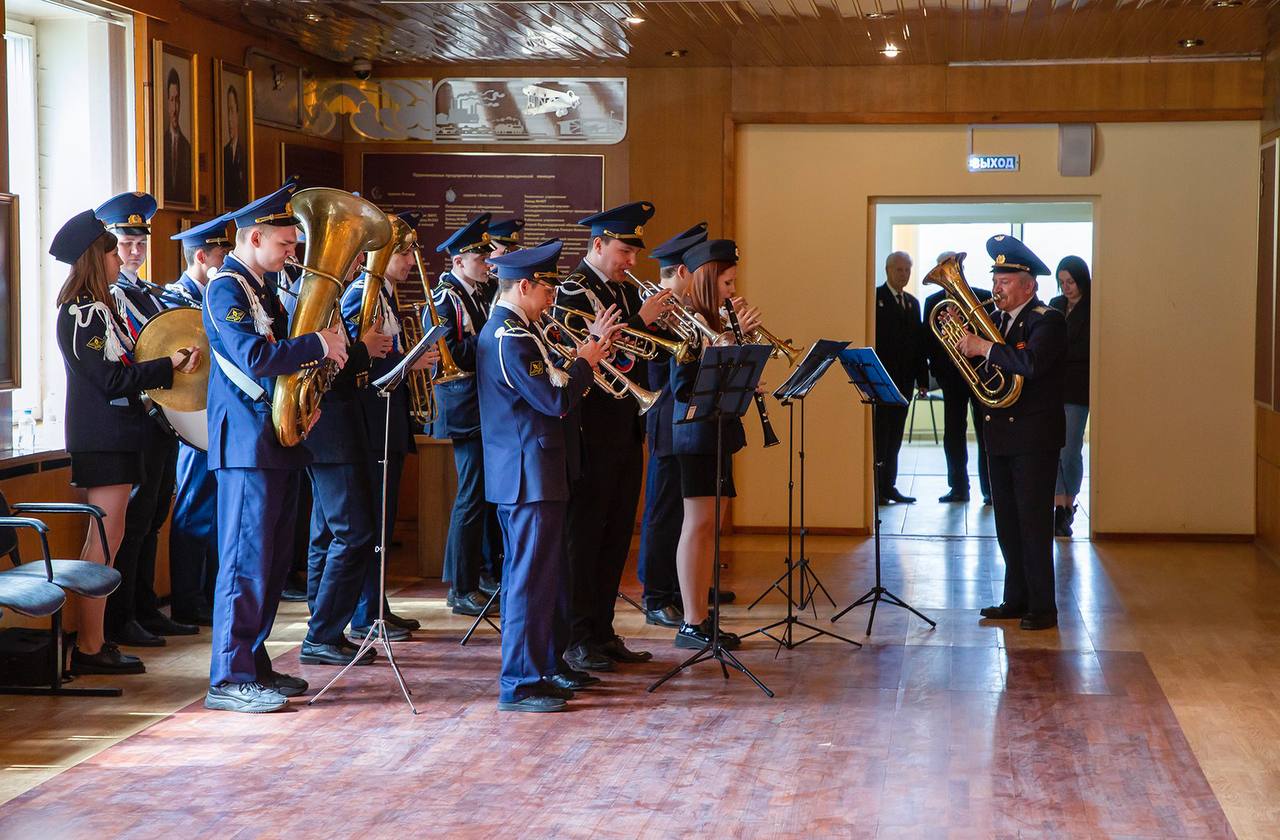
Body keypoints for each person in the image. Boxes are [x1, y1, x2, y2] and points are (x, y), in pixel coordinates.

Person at [202, 182, 350, 712]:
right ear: (254, 237)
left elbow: (280, 362)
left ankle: (254, 663)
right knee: (244, 562)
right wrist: (317, 344)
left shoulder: (260, 287)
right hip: (246, 445)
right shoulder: (226, 289)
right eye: (285, 244)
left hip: (272, 441)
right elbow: (253, 357)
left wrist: (308, 397)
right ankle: (229, 677)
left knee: (269, 561)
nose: (292, 252)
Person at [51, 209, 200, 675]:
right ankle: (90, 645)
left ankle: (96, 641)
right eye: (113, 252)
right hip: (103, 439)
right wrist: (166, 366)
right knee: (104, 538)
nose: (121, 259)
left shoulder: (100, 310)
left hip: (116, 436)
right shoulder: (84, 313)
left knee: (109, 538)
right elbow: (110, 379)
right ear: (96, 258)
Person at [476, 239, 618, 712]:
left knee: (542, 580)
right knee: (528, 583)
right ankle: (519, 684)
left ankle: (540, 668)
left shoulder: (522, 330)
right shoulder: (510, 337)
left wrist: (577, 361)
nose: (552, 298)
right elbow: (554, 401)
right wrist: (585, 362)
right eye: (547, 289)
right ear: (523, 286)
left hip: (538, 473)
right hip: (527, 477)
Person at [558, 201, 673, 673]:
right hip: (592, 427)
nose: (631, 261)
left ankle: (602, 630)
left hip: (626, 425)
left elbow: (642, 357)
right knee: (585, 536)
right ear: (599, 244)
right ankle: (576, 635)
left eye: (634, 252)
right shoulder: (572, 291)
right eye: (624, 251)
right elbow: (587, 359)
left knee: (616, 533)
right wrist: (642, 322)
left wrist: (658, 329)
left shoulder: (622, 291)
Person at [94, 192, 198, 647]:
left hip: (162, 415)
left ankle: (146, 606)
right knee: (134, 521)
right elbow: (140, 350)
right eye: (125, 243)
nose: (134, 251)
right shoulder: (112, 295)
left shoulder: (150, 291)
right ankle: (123, 616)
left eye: (140, 242)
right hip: (137, 414)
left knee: (154, 513)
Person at [954, 235, 1067, 631]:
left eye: (1004, 281)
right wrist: (966, 345)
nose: (996, 288)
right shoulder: (997, 322)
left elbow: (1031, 364)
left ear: (1028, 285)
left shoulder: (1046, 320)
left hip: (1034, 438)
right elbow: (986, 374)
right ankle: (1016, 598)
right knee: (1006, 523)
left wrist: (984, 347)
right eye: (995, 279)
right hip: (999, 434)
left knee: (1033, 523)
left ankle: (1043, 606)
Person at [341, 211, 438, 639]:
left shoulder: (385, 295)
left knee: (384, 519)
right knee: (373, 520)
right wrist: (408, 363)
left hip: (389, 420)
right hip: (371, 421)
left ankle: (377, 604)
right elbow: (355, 364)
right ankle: (365, 613)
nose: (410, 261)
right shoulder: (360, 295)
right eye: (403, 253)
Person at [668, 239, 761, 649]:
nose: (732, 290)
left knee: (713, 526)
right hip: (695, 433)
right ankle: (691, 621)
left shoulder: (717, 322)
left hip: (720, 429)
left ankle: (702, 617)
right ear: (708, 282)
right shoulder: (689, 323)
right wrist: (721, 347)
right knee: (698, 524)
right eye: (726, 283)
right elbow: (682, 387)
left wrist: (743, 347)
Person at [428, 213, 503, 617]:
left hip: (481, 405)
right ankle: (461, 587)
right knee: (470, 497)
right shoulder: (446, 298)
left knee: (482, 497)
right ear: (458, 261)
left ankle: (481, 574)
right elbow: (450, 354)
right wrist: (491, 340)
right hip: (462, 407)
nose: (488, 263)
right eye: (480, 257)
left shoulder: (478, 292)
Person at [637, 222, 707, 629]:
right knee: (663, 509)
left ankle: (684, 587)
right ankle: (657, 594)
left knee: (685, 509)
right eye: (698, 270)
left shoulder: (688, 308)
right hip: (665, 415)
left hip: (686, 415)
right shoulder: (658, 309)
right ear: (682, 271)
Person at [164, 214, 233, 626]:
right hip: (191, 414)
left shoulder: (216, 293)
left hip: (217, 411)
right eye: (221, 254)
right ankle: (187, 600)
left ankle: (208, 594)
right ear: (201, 257)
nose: (225, 261)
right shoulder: (176, 299)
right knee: (194, 505)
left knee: (217, 506)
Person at [923, 250, 993, 504]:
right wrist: (936, 372)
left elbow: (990, 334)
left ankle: (990, 489)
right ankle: (958, 487)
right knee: (953, 433)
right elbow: (928, 340)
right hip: (950, 376)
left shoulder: (981, 297)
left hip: (979, 374)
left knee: (986, 432)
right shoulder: (932, 302)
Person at [874, 251, 929, 505]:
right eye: (899, 270)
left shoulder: (913, 303)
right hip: (881, 380)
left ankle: (889, 485)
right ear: (888, 270)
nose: (904, 274)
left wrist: (922, 380)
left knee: (896, 436)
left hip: (905, 382)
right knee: (881, 435)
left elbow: (918, 345)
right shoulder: (876, 298)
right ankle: (876, 488)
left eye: (907, 270)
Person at [1050, 255, 1091, 538]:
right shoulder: (1055, 305)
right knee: (1053, 449)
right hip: (1052, 388)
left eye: (1071, 282)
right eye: (1062, 282)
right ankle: (1059, 508)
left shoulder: (1092, 308)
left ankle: (1069, 502)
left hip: (1077, 389)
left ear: (1081, 281)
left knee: (1070, 451)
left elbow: (1086, 349)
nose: (1066, 287)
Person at [163, 67, 193, 205]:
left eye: (177, 100)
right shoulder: (160, 146)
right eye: (171, 100)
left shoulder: (187, 148)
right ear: (167, 103)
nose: (174, 108)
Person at [222, 84, 249, 209]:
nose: (229, 119)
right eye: (227, 111)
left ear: (238, 114)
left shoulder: (246, 154)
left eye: (232, 111)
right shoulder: (224, 153)